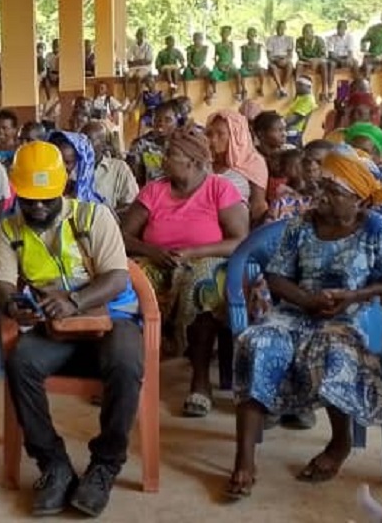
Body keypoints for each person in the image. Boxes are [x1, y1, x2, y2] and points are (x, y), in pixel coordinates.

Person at [227, 150, 382, 498]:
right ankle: (244, 458)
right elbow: (276, 276)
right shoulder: (301, 225)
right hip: (296, 310)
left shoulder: (377, 230)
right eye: (321, 187)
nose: (321, 196)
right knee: (256, 342)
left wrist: (353, 297)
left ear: (358, 198)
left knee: (334, 350)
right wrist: (306, 300)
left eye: (333, 191)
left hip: (353, 316)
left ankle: (339, 443)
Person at [0, 141, 141, 517]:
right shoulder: (8, 231)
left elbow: (117, 277)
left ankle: (104, 466)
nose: (38, 207)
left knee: (125, 362)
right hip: (56, 331)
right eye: (29, 199)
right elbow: (3, 284)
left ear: (64, 186)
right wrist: (12, 305)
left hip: (112, 321)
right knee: (20, 361)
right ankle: (53, 465)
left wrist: (74, 301)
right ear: (17, 193)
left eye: (47, 198)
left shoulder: (95, 218)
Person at [121, 127, 248, 417]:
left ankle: (200, 381)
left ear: (192, 161)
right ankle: (128, 376)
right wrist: (152, 252)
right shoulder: (154, 190)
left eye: (171, 154)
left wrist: (193, 253)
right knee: (130, 282)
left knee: (202, 283)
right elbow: (124, 235)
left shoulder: (219, 188)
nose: (163, 159)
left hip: (208, 259)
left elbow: (240, 240)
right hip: (158, 259)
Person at [207, 110, 270, 224]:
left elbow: (258, 206)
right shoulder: (205, 162)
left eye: (220, 134)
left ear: (236, 135)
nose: (213, 140)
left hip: (238, 228)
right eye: (210, 134)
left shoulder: (252, 163)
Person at [83, 121, 138, 212]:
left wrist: (104, 216)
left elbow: (132, 204)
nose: (83, 144)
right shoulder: (72, 166)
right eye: (81, 139)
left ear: (103, 145)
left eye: (89, 140)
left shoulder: (119, 169)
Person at [48, 130, 107, 206]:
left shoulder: (94, 203)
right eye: (57, 161)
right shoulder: (40, 192)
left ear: (78, 164)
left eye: (68, 162)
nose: (61, 167)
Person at [126, 100, 178, 186]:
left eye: (168, 120)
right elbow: (132, 177)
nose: (161, 123)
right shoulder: (141, 144)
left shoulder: (183, 146)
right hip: (151, 195)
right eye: (157, 119)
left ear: (176, 122)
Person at [296, 23, 331, 101]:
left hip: (318, 61)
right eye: (305, 32)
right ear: (303, 33)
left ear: (313, 32)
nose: (308, 34)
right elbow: (300, 56)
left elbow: (324, 55)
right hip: (306, 60)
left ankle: (324, 90)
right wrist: (309, 60)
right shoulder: (299, 41)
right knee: (298, 64)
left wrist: (316, 60)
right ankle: (297, 90)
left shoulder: (319, 40)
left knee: (324, 64)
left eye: (309, 32)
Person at [284, 76, 318, 147]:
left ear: (308, 86)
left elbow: (295, 119)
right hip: (290, 131)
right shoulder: (301, 98)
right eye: (296, 84)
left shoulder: (308, 99)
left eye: (300, 84)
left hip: (293, 132)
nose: (297, 87)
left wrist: (278, 124)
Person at [212, 25, 241, 102]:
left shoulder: (231, 44)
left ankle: (238, 93)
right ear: (221, 34)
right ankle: (214, 93)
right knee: (213, 74)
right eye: (224, 32)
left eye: (227, 33)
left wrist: (228, 66)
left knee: (238, 74)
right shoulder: (217, 45)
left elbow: (233, 57)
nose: (225, 34)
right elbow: (215, 57)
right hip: (220, 64)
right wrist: (218, 66)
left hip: (229, 64)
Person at [124, 28, 153, 100]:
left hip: (145, 68)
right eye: (138, 34)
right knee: (126, 76)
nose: (139, 36)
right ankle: (126, 97)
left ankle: (136, 97)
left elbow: (148, 61)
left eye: (141, 34)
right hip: (134, 67)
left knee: (138, 76)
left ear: (144, 36)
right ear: (136, 36)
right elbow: (129, 61)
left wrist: (136, 62)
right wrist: (140, 61)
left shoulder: (148, 46)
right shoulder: (133, 46)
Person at [238, 27, 264, 100]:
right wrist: (247, 63)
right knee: (240, 72)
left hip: (255, 66)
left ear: (255, 36)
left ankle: (261, 88)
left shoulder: (258, 46)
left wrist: (254, 63)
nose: (251, 37)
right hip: (247, 66)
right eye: (249, 35)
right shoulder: (244, 47)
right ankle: (243, 90)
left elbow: (258, 57)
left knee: (261, 71)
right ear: (247, 36)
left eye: (253, 35)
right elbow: (242, 59)